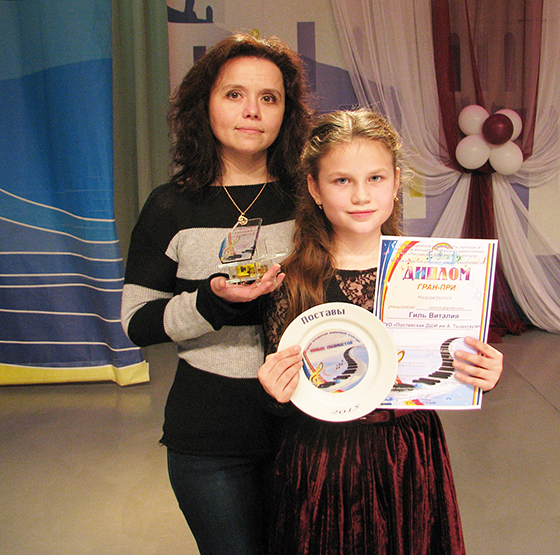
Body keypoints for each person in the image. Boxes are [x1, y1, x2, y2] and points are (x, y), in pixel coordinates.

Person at [257, 109, 503, 555]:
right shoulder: (291, 282)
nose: (360, 195)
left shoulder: (433, 273)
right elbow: (287, 396)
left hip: (409, 456)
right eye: (341, 180)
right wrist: (275, 393)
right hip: (323, 465)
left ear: (395, 183)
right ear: (314, 188)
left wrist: (482, 372)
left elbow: (448, 367)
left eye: (375, 178)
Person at [121, 33, 312, 555]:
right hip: (209, 439)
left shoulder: (310, 198)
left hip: (307, 428)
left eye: (269, 98)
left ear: (286, 112)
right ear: (203, 104)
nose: (252, 111)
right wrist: (213, 301)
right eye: (234, 94)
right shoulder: (170, 206)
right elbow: (137, 321)